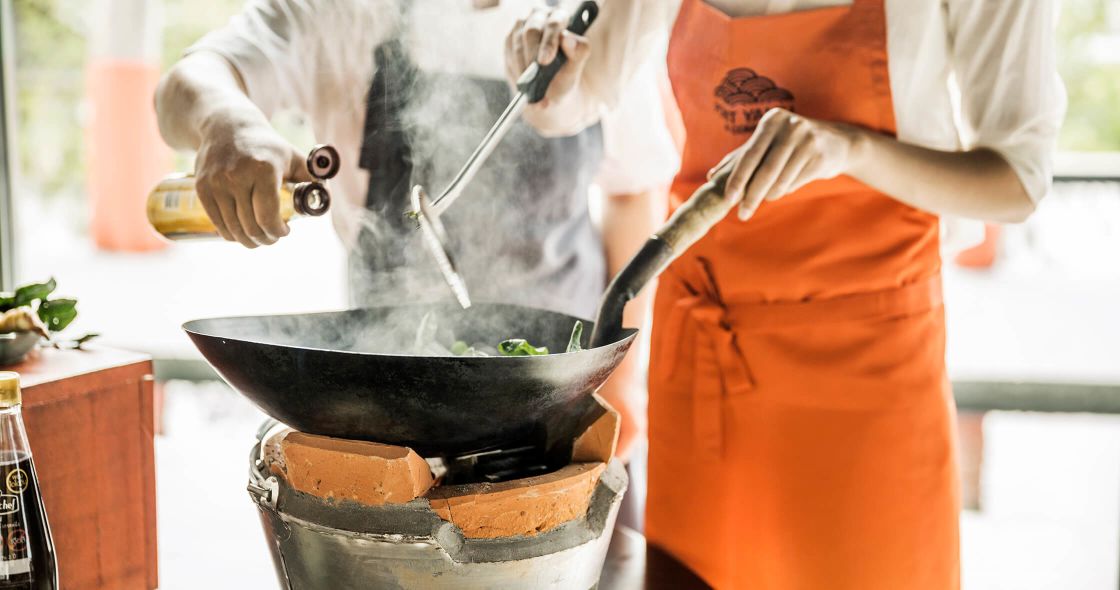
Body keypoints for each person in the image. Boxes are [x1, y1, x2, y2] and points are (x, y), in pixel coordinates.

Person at [507, 1, 1065, 588]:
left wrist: (850, 148)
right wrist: (543, 69)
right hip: (706, 352)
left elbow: (1016, 182)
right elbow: (574, 97)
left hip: (870, 361)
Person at [153, 0, 680, 458]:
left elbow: (634, 191)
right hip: (386, 403)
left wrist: (622, 382)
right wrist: (226, 120)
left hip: (562, 389)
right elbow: (184, 86)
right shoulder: (337, 12)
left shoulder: (590, 20)